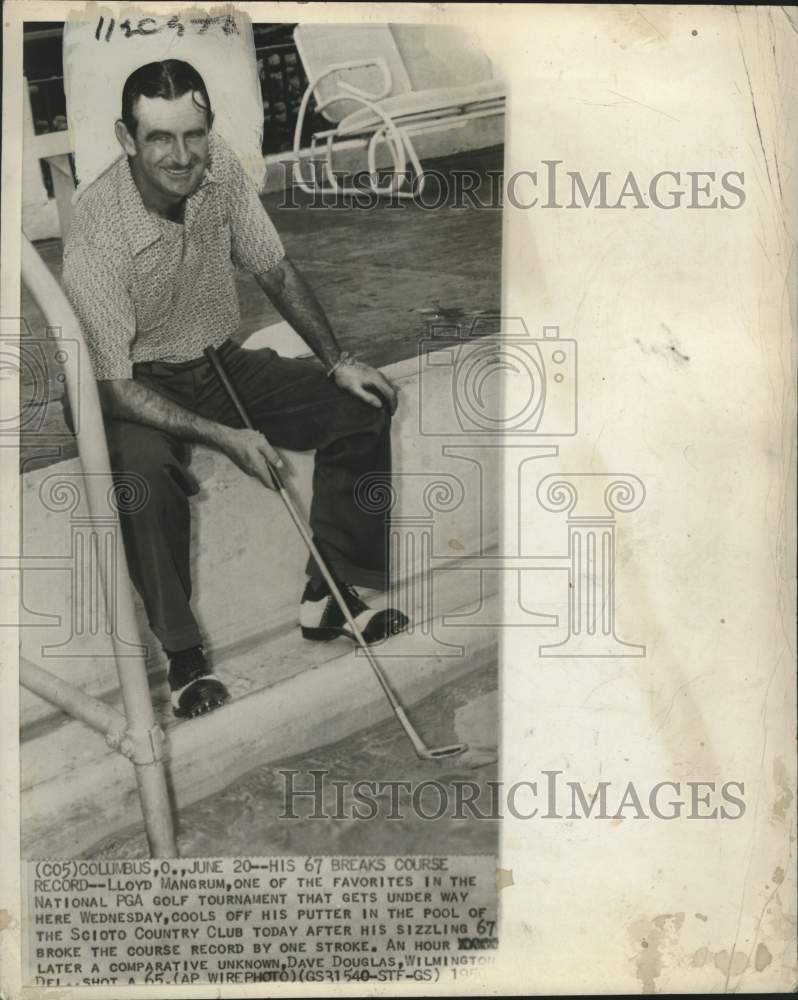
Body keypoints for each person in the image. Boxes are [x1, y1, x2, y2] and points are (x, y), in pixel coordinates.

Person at [63, 59, 408, 720]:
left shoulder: (218, 169)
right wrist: (225, 436)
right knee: (141, 474)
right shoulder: (99, 232)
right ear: (127, 137)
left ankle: (330, 594)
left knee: (358, 404)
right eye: (160, 137)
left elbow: (273, 268)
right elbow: (110, 385)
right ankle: (184, 659)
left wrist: (338, 360)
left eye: (193, 133)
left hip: (213, 362)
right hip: (125, 387)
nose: (181, 154)